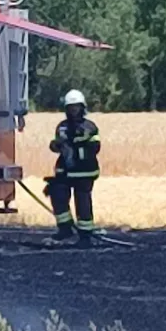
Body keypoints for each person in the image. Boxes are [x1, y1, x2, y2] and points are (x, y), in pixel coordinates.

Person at [42, 89, 103, 247]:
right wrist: (56, 145)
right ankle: (65, 228)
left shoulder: (90, 127)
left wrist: (76, 144)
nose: (73, 110)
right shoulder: (61, 127)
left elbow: (94, 147)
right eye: (71, 107)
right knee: (58, 195)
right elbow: (57, 146)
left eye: (76, 107)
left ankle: (85, 236)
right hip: (65, 171)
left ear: (82, 107)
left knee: (83, 202)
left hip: (84, 171)